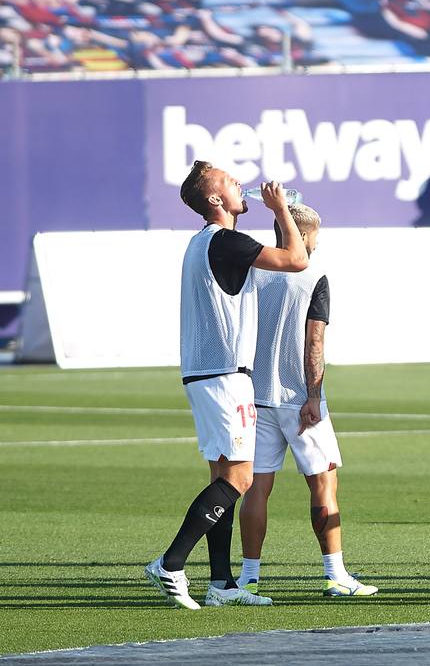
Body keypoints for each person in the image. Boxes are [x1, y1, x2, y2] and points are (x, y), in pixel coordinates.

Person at [145, 165, 308, 609]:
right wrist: (281, 209)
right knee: (240, 477)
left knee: (222, 473)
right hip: (224, 375)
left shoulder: (204, 242)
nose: (240, 183)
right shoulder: (224, 240)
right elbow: (297, 259)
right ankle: (171, 562)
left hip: (207, 372)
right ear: (215, 200)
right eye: (229, 181)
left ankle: (221, 583)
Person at [238, 203, 376, 598]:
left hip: (256, 395)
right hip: (299, 398)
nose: (317, 239)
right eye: (315, 232)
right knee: (323, 484)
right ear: (301, 235)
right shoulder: (314, 275)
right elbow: (314, 341)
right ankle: (336, 575)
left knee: (256, 488)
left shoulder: (254, 273)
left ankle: (248, 577)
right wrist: (314, 395)